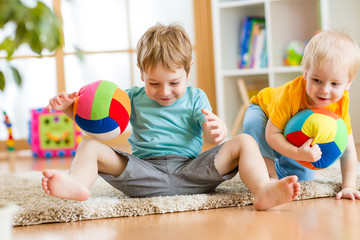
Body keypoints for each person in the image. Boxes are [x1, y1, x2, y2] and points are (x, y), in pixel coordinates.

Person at [41, 23, 300, 210]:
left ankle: (262, 190)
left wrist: (217, 130)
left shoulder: (196, 97)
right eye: (153, 83)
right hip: (144, 173)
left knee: (245, 141)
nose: (164, 92)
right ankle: (77, 183)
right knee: (88, 145)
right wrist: (69, 110)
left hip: (192, 172)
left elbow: (211, 136)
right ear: (141, 73)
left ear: (188, 71)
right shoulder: (129, 97)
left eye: (174, 82)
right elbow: (102, 131)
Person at [243, 30, 360, 200]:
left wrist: (348, 186)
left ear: (348, 83)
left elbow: (348, 151)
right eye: (316, 80)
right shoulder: (290, 95)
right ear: (305, 73)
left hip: (293, 133)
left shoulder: (341, 103)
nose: (325, 90)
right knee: (254, 126)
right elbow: (272, 135)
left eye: (335, 84)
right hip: (264, 113)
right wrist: (298, 153)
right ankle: (269, 178)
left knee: (302, 176)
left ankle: (279, 170)